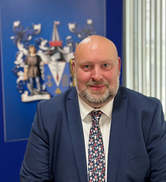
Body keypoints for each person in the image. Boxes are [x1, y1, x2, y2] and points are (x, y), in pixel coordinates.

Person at [20, 35, 166, 182]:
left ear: (118, 66)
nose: (97, 76)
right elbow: (33, 179)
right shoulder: (48, 115)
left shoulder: (148, 112)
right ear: (74, 68)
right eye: (87, 66)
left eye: (106, 65)